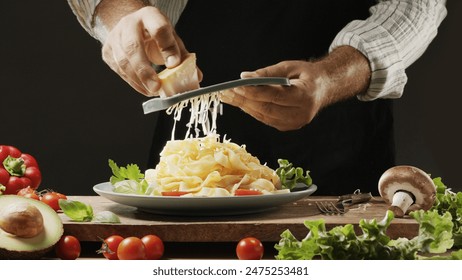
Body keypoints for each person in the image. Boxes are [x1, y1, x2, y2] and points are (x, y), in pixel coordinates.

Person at [67, 0, 447, 195]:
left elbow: (419, 5)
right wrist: (123, 16)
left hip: (341, 138)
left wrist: (331, 78)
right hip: (188, 155)